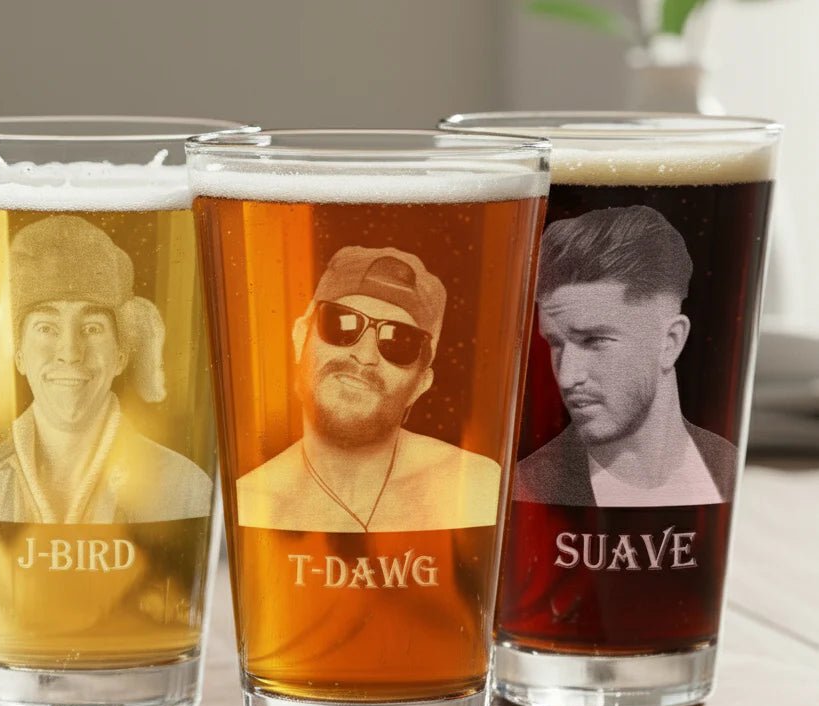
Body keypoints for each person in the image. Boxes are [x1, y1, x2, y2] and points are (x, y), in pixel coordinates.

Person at [0, 215, 211, 524]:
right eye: (46, 328)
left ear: (121, 354)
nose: (70, 354)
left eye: (91, 328)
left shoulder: (185, 489)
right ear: (18, 354)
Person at [237, 246, 501, 532]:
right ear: (301, 338)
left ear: (421, 384)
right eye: (341, 323)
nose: (364, 355)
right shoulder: (251, 505)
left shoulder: (475, 488)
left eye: (398, 341)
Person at [514, 205, 736, 508]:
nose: (566, 376)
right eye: (556, 343)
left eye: (594, 340)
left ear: (670, 342)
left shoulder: (729, 467)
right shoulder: (526, 490)